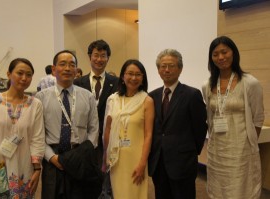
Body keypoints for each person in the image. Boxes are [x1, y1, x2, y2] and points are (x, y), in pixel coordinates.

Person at [0, 58, 45, 198]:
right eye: (20, 73)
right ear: (9, 74)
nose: (24, 78)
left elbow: (38, 138)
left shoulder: (36, 104)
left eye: (29, 75)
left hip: (24, 167)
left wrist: (37, 169)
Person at [202, 36, 264, 199]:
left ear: (233, 53)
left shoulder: (250, 83)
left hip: (241, 149)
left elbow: (258, 117)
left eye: (224, 52)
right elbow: (210, 116)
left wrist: (249, 144)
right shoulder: (207, 85)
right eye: (215, 54)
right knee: (219, 188)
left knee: (240, 189)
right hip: (217, 149)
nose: (221, 57)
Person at [35, 50, 100, 199]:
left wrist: (83, 153)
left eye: (72, 65)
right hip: (53, 158)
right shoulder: (41, 98)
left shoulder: (87, 96)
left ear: (77, 70)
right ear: (53, 69)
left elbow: (94, 129)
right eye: (62, 64)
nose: (67, 68)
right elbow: (37, 134)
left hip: (80, 157)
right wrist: (51, 157)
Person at [148, 49, 207, 199]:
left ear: (180, 68)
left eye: (171, 66)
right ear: (158, 70)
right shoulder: (152, 96)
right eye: (163, 66)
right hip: (158, 163)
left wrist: (190, 153)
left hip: (183, 163)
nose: (166, 70)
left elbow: (200, 129)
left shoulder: (192, 95)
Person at [102, 59, 154, 199]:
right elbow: (108, 129)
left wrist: (143, 163)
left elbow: (149, 134)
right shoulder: (113, 99)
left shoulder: (146, 101)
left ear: (143, 79)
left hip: (136, 159)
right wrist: (105, 156)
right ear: (123, 77)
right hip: (116, 159)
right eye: (130, 73)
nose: (133, 78)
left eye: (138, 74)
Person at [74, 39, 118, 167]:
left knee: (106, 175)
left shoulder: (117, 83)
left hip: (108, 137)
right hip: (84, 139)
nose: (99, 59)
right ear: (90, 57)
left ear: (108, 58)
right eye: (96, 55)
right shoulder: (77, 83)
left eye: (103, 56)